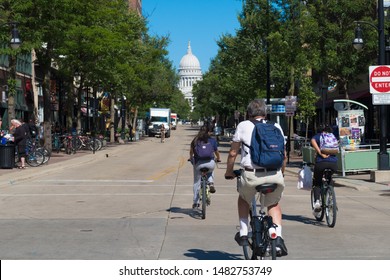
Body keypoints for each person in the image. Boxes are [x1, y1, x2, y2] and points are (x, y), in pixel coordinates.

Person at [224, 99, 288, 257]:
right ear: (265, 113)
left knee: (244, 198)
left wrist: (229, 172)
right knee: (273, 203)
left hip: (252, 174)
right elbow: (284, 156)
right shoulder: (276, 126)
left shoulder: (243, 126)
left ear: (248, 113)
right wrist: (282, 172)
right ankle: (278, 237)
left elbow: (233, 153)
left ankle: (244, 233)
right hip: (275, 173)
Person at [189, 125, 221, 209]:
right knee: (211, 169)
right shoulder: (212, 140)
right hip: (210, 163)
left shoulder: (195, 140)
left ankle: (196, 203)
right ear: (209, 132)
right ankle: (211, 183)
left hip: (198, 164)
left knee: (196, 182)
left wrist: (191, 158)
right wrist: (218, 159)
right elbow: (216, 152)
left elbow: (191, 152)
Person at [310, 124, 338, 213]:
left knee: (317, 181)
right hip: (333, 163)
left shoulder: (318, 136)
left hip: (321, 163)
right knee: (329, 179)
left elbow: (312, 141)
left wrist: (320, 153)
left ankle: (317, 202)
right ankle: (332, 200)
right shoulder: (332, 136)